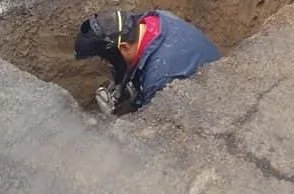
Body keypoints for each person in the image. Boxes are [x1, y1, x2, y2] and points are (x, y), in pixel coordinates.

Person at [74, 8, 221, 115]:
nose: (109, 63)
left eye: (109, 58)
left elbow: (150, 128)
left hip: (212, 105)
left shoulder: (160, 79)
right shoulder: (157, 17)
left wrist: (115, 120)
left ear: (124, 47)